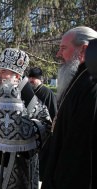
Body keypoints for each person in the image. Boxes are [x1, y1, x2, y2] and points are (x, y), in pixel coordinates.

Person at [0, 48, 52, 189]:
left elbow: (45, 124)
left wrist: (19, 133)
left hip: (16, 163)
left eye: (4, 72)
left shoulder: (28, 97)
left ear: (17, 76)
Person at [41, 26, 97, 189]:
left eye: (63, 48)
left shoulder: (91, 85)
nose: (59, 55)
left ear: (84, 49)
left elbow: (81, 150)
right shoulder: (80, 78)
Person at [28, 67, 57, 182]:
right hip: (30, 132)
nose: (30, 80)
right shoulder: (29, 91)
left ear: (39, 79)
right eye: (29, 77)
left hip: (43, 133)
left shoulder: (47, 92)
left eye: (33, 78)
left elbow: (53, 113)